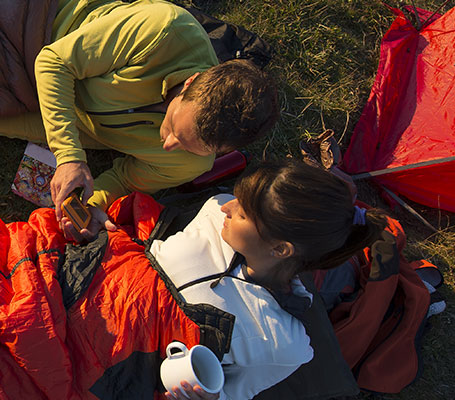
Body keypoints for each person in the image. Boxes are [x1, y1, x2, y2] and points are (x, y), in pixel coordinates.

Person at [35, 0, 279, 242]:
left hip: (39, 113)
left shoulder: (194, 164)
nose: (167, 145)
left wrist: (92, 205)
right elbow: (53, 62)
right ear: (190, 82)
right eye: (174, 127)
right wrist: (68, 155)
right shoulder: (164, 30)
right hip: (46, 25)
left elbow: (123, 178)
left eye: (186, 146)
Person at [149, 160, 384, 399]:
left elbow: (233, 393)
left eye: (241, 213)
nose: (226, 207)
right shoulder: (214, 211)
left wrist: (211, 397)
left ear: (280, 249)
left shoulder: (284, 343)